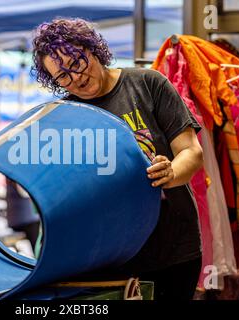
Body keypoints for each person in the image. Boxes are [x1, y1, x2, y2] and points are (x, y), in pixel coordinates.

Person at [31, 18, 204, 300]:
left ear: (94, 49)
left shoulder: (148, 84)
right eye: (62, 76)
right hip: (104, 256)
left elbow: (191, 152)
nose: (75, 78)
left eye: (77, 63)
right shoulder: (62, 115)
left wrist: (170, 172)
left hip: (172, 248)